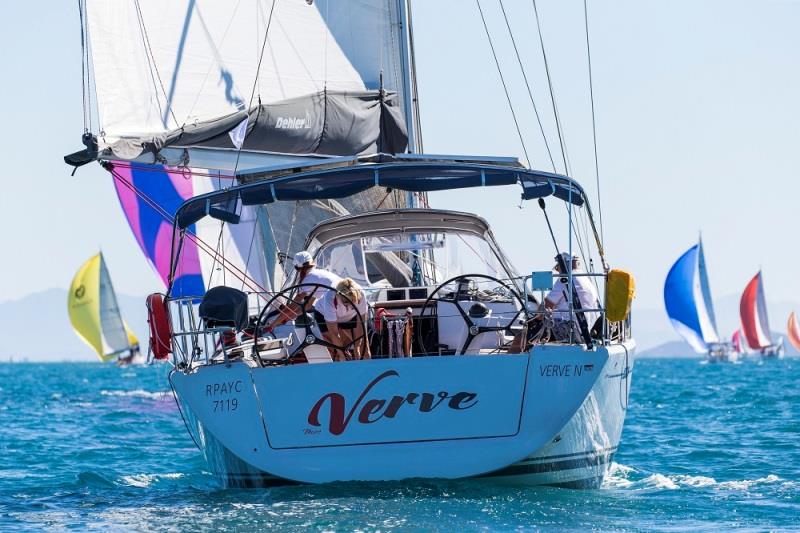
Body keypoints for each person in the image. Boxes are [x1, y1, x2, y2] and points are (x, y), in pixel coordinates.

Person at [543, 252, 601, 340]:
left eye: (557, 267)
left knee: (528, 332)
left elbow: (547, 305)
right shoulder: (587, 280)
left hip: (567, 328)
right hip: (584, 330)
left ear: (564, 264)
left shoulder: (564, 280)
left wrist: (534, 316)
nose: (558, 271)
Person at [315, 278, 372, 360]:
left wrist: (357, 347)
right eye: (345, 302)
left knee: (364, 346)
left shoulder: (361, 295)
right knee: (334, 349)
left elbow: (361, 325)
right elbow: (334, 333)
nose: (348, 305)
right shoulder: (330, 297)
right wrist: (342, 354)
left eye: (352, 302)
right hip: (323, 314)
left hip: (350, 316)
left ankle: (368, 369)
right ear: (337, 295)